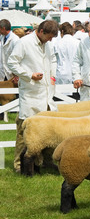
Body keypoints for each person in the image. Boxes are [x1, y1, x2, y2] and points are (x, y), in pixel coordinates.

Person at [7, 20, 59, 172]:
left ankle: (44, 162)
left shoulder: (48, 44)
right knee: (24, 130)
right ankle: (18, 164)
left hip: (46, 93)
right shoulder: (24, 43)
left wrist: (53, 75)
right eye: (49, 36)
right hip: (31, 94)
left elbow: (53, 60)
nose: (50, 40)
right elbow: (12, 63)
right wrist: (29, 75)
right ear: (41, 32)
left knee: (48, 131)